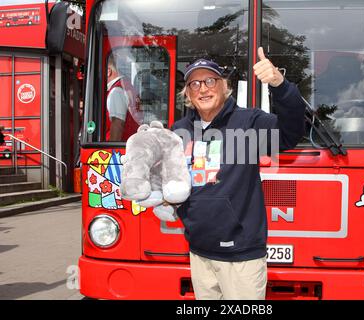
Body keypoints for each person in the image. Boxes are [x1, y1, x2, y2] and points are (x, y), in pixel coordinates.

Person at [171, 48, 306, 300]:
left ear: (224, 86)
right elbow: (172, 177)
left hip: (241, 257)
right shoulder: (179, 130)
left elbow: (291, 132)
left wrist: (280, 85)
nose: (203, 88)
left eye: (210, 81)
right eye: (195, 83)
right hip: (199, 252)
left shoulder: (248, 122)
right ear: (188, 93)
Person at [105, 55, 142, 141]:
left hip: (119, 149)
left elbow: (117, 124)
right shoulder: (127, 86)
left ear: (108, 71)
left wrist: (111, 150)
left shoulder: (116, 91)